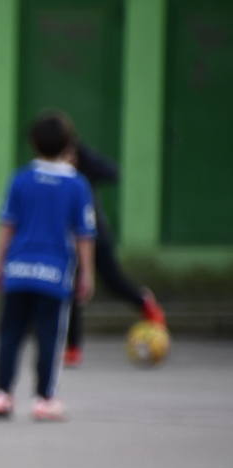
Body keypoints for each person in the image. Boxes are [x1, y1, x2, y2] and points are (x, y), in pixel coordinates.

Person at [0, 110, 96, 421]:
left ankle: (1, 394)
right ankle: (44, 399)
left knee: (10, 333)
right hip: (54, 272)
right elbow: (84, 234)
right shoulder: (77, 186)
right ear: (67, 145)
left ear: (33, 143)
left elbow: (7, 225)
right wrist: (86, 274)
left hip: (18, 268)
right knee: (49, 336)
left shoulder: (20, 179)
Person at [63, 142, 167, 367]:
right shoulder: (53, 173)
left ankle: (144, 301)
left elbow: (113, 172)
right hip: (71, 240)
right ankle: (72, 348)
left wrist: (89, 165)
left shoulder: (84, 166)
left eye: (70, 154)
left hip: (96, 237)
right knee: (71, 293)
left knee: (113, 282)